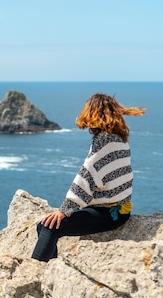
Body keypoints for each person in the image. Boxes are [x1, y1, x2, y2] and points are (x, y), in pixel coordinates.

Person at [31, 93, 146, 262]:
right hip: (119, 210)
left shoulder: (104, 143)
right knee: (45, 225)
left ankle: (36, 271)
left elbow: (87, 178)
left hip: (109, 214)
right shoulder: (120, 139)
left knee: (49, 227)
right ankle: (49, 269)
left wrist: (64, 210)